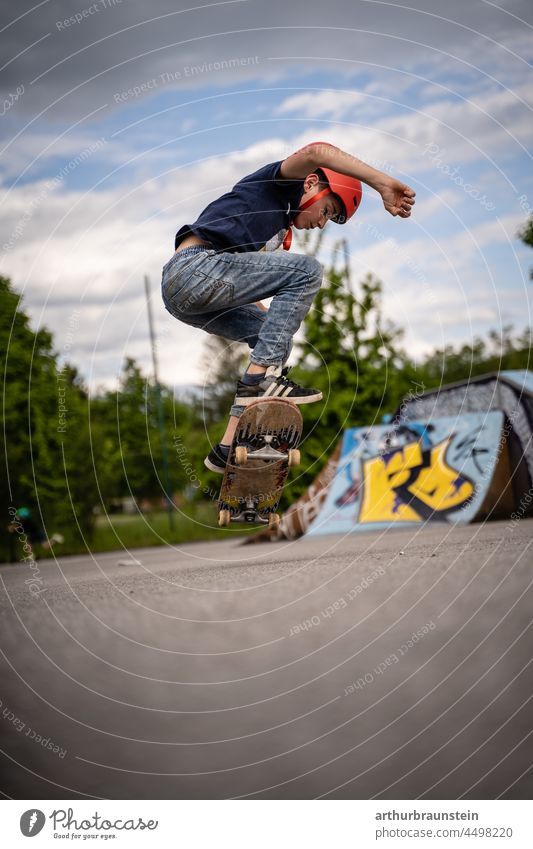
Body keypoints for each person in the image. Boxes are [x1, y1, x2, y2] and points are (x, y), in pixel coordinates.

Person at [161, 141, 415, 473]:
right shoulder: (279, 184)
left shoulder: (276, 228)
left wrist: (272, 331)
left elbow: (240, 282)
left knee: (275, 341)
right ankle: (258, 383)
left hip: (190, 297)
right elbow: (317, 152)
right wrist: (380, 182)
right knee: (307, 270)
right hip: (191, 269)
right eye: (327, 211)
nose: (322, 223)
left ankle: (228, 446)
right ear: (311, 184)